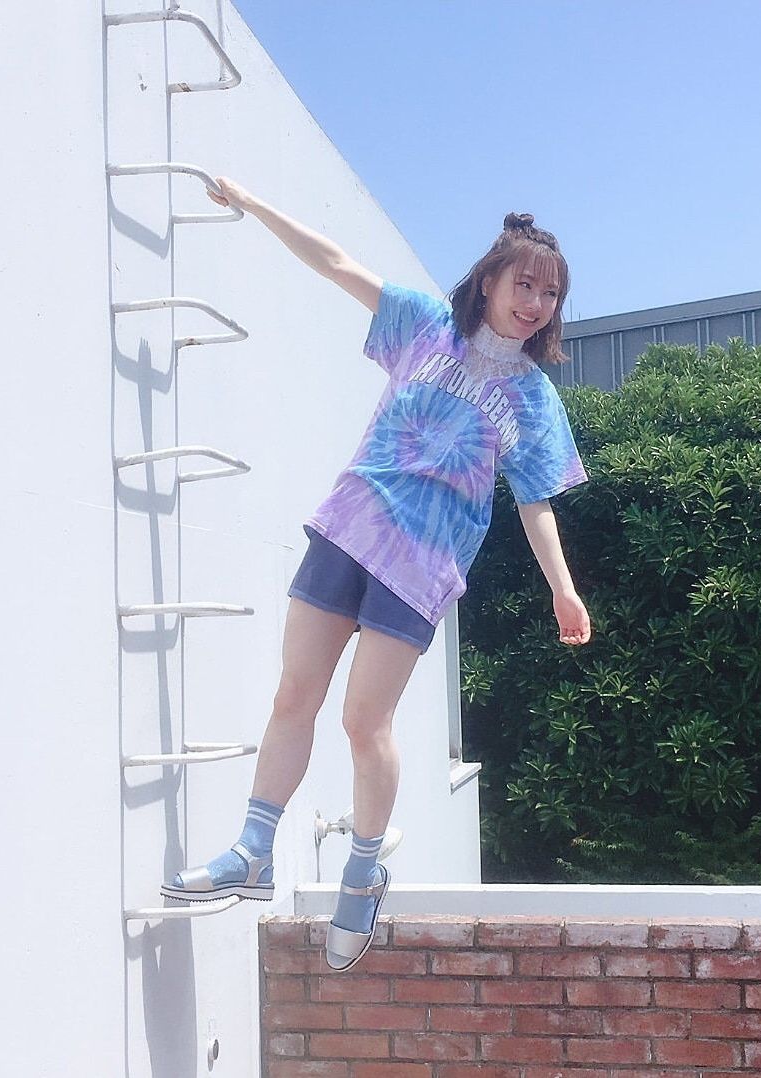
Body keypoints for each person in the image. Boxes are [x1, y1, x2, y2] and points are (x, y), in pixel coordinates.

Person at [160, 177, 593, 972]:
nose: (536, 303)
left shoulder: (534, 400)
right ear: (490, 281)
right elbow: (335, 262)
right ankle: (253, 849)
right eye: (525, 284)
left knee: (365, 722)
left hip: (422, 565)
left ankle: (362, 873)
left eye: (550, 293)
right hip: (347, 528)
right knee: (294, 694)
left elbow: (535, 502)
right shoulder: (425, 325)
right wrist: (254, 202)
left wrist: (562, 587)